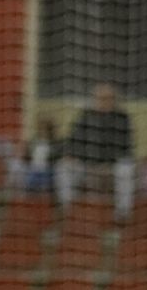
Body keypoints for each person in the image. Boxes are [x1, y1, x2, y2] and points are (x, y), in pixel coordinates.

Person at [55, 82, 135, 220]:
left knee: (126, 170)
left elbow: (126, 146)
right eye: (100, 98)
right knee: (63, 167)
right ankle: (67, 210)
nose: (104, 102)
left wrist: (107, 164)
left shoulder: (123, 118)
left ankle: (122, 214)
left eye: (108, 98)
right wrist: (72, 155)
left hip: (112, 167)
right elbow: (73, 140)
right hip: (86, 164)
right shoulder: (85, 116)